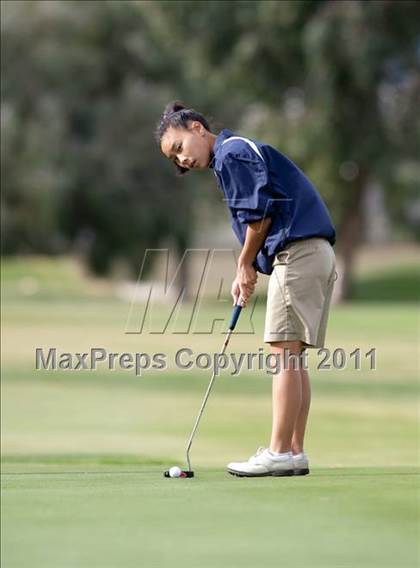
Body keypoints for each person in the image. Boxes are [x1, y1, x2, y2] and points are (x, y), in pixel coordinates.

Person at [156, 101, 337, 477]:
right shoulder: (232, 155)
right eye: (175, 160)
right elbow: (261, 218)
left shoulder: (232, 153)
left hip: (299, 254)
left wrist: (243, 264)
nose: (182, 161)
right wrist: (251, 266)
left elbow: (260, 216)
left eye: (179, 148)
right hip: (311, 253)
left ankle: (277, 453)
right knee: (292, 356)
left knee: (282, 354)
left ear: (196, 128)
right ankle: (293, 452)